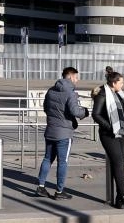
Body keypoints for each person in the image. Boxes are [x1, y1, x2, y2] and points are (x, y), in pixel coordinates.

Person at [36, 66, 88, 199]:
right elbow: (75, 111)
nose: (78, 80)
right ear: (70, 77)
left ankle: (40, 187)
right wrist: (85, 112)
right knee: (62, 161)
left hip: (51, 130)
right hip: (64, 133)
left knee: (47, 158)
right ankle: (59, 191)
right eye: (76, 77)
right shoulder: (70, 92)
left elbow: (46, 108)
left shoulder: (51, 90)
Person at [92, 68, 124, 210]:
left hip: (122, 133)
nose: (123, 85)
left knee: (118, 164)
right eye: (121, 82)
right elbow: (96, 115)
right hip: (109, 134)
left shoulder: (118, 94)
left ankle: (119, 198)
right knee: (118, 163)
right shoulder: (103, 95)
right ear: (114, 83)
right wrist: (110, 127)